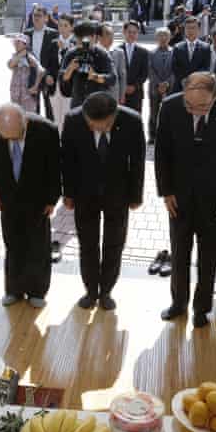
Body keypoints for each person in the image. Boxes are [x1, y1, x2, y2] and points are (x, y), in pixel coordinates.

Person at [155, 72, 216, 328]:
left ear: (215, 96)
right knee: (179, 252)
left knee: (208, 256)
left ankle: (202, 308)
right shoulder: (171, 106)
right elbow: (162, 152)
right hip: (179, 198)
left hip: (215, 199)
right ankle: (178, 302)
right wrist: (166, 192)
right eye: (190, 106)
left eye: (202, 107)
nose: (195, 112)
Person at [62, 92, 145, 310]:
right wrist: (68, 194)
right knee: (87, 244)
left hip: (118, 193)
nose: (94, 129)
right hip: (84, 194)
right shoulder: (73, 120)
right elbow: (67, 160)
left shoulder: (132, 121)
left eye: (101, 125)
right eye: (90, 124)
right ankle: (90, 290)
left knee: (114, 243)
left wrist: (136, 195)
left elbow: (137, 162)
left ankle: (107, 290)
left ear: (113, 116)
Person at [0, 104, 61, 308]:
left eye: (16, 135)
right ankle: (14, 290)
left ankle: (37, 291)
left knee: (38, 246)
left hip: (37, 198)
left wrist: (52, 199)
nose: (12, 140)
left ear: (24, 122)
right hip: (8, 197)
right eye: (6, 137)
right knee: (13, 244)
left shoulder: (46, 130)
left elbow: (54, 167)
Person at [59, 20, 116, 108]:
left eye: (85, 40)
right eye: (79, 39)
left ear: (94, 37)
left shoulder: (102, 54)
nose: (82, 43)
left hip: (98, 103)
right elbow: (62, 77)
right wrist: (70, 69)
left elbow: (112, 78)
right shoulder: (71, 53)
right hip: (77, 103)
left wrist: (95, 76)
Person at [25, 6, 59, 117]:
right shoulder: (27, 34)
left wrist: (50, 75)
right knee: (33, 111)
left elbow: (54, 59)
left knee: (50, 109)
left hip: (47, 77)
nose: (36, 18)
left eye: (39, 15)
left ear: (46, 18)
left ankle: (51, 132)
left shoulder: (53, 34)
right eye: (34, 15)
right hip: (31, 77)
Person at [44, 13, 76, 131]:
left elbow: (73, 66)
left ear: (72, 27)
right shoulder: (53, 43)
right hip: (54, 88)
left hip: (70, 89)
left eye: (65, 25)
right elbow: (47, 65)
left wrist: (64, 50)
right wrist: (47, 75)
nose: (62, 28)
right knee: (56, 120)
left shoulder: (76, 44)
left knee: (68, 120)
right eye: (60, 25)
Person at [147, 28, 174, 145]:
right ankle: (152, 135)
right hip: (154, 87)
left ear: (169, 38)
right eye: (160, 36)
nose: (163, 38)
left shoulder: (175, 52)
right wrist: (159, 83)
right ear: (156, 38)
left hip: (171, 87)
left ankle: (168, 134)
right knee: (153, 112)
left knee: (170, 112)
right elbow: (150, 70)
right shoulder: (151, 53)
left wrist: (167, 83)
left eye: (165, 36)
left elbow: (175, 70)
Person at [171, 16, 211, 93]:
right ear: (184, 30)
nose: (190, 31)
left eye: (193, 28)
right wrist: (184, 80)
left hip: (198, 86)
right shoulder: (177, 47)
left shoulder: (205, 47)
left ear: (199, 30)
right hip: (180, 86)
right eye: (188, 28)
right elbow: (175, 67)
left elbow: (205, 67)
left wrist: (193, 80)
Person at [8, 35, 44, 113]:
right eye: (15, 42)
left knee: (28, 119)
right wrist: (21, 54)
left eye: (18, 42)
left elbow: (41, 71)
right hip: (15, 93)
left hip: (27, 95)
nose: (16, 44)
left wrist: (35, 87)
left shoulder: (30, 57)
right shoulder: (14, 56)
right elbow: (10, 65)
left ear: (25, 44)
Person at [120, 21, 149, 113]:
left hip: (136, 93)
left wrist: (134, 86)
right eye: (129, 32)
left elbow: (145, 73)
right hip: (121, 94)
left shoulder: (143, 52)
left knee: (136, 121)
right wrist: (124, 87)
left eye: (134, 32)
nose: (132, 35)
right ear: (124, 32)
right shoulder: (117, 51)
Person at [99, 23, 126, 104]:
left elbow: (122, 76)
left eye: (112, 34)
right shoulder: (94, 51)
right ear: (100, 37)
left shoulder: (119, 52)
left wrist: (122, 96)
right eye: (107, 34)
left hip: (114, 95)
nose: (110, 37)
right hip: (98, 95)